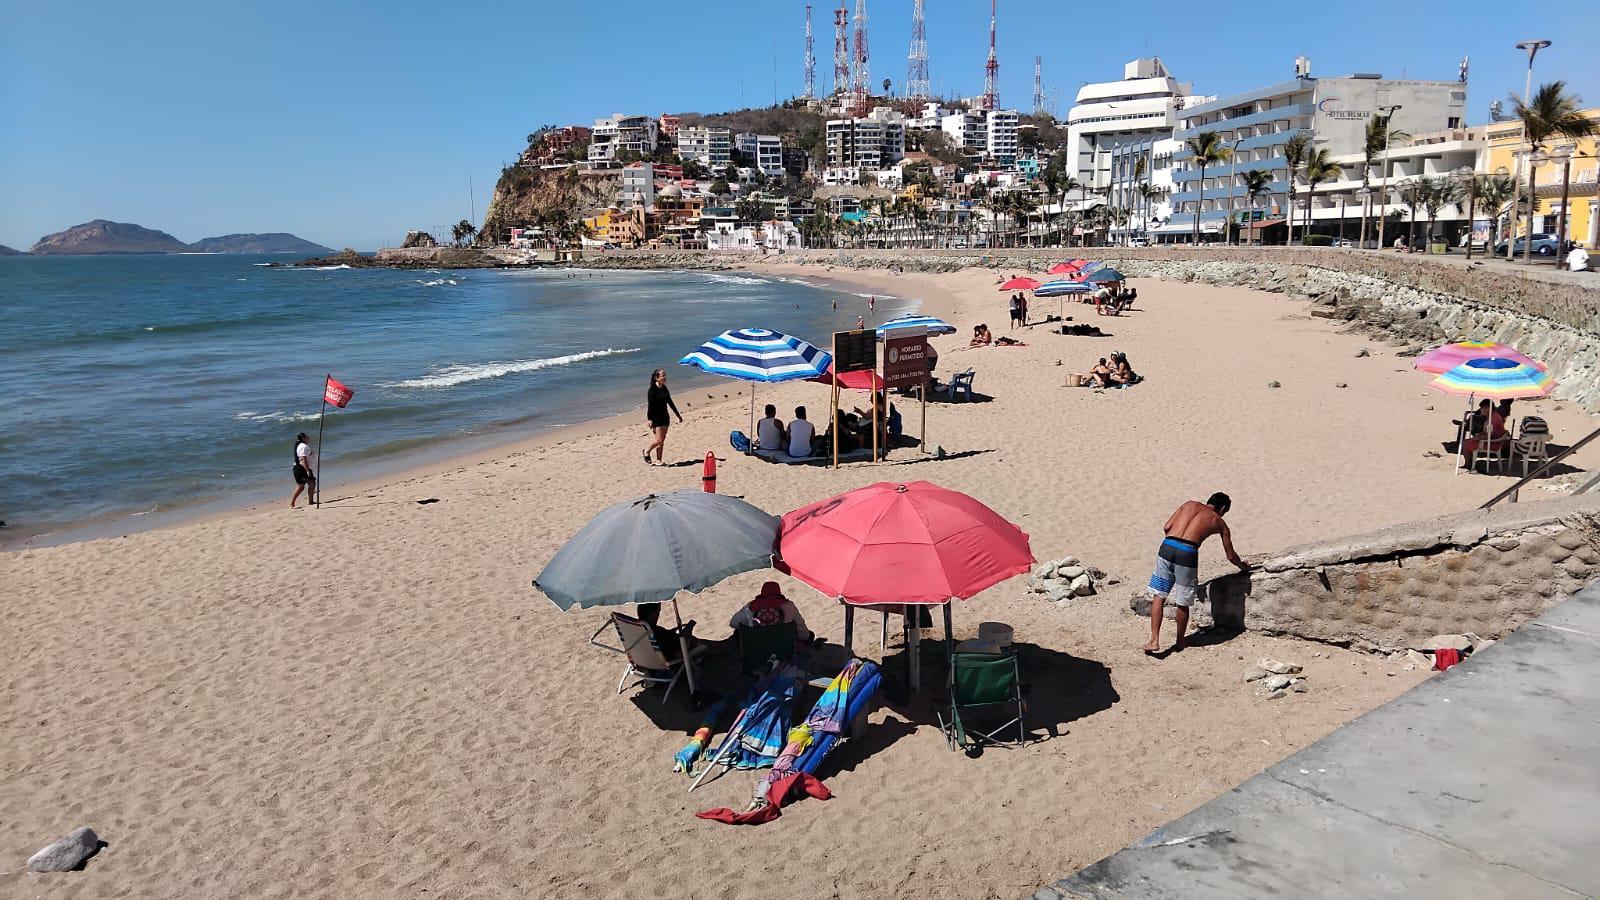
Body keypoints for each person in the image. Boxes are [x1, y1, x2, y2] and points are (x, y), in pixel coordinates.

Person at [1145, 493, 1248, 653]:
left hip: (1167, 546)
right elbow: (1230, 556)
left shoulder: (1189, 504)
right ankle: (1180, 641)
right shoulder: (1218, 521)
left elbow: (1166, 526)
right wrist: (1243, 567)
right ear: (1222, 509)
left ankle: (1154, 640)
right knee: (1183, 601)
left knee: (1159, 595)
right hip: (1187, 552)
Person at [729, 581, 813, 641]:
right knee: (810, 635)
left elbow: (734, 623)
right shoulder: (788, 605)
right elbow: (802, 632)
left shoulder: (751, 606)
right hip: (784, 645)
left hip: (757, 646)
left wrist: (751, 623)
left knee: (738, 633)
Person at [643, 368, 682, 465]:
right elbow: (650, 406)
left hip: (665, 416)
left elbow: (670, 402)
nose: (665, 377)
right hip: (656, 418)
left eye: (665, 375)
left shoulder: (664, 388)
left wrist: (677, 415)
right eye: (662, 375)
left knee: (662, 440)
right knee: (659, 440)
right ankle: (646, 451)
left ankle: (659, 460)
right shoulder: (652, 390)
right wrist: (650, 419)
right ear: (656, 378)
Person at [290, 432, 317, 508]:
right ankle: (311, 501)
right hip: (302, 469)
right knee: (312, 483)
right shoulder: (303, 446)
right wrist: (307, 470)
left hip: (298, 468)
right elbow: (303, 460)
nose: (309, 438)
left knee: (301, 487)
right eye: (307, 437)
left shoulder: (301, 445)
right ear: (303, 438)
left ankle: (292, 503)